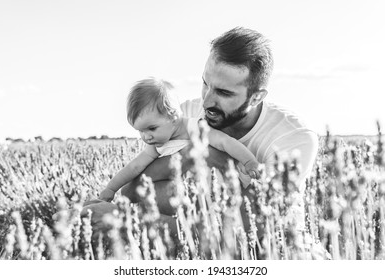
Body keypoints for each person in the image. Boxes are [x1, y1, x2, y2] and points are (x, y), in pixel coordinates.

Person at [120, 27, 319, 233]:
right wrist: (190, 154)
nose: (206, 101)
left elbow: (262, 223)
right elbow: (134, 190)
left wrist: (220, 160)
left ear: (257, 97)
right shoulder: (183, 115)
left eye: (223, 92)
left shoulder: (293, 136)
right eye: (205, 83)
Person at [98, 77, 261, 202]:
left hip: (219, 189)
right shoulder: (157, 145)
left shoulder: (194, 128)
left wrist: (249, 162)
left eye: (152, 128)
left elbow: (225, 142)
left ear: (174, 117)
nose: (146, 137)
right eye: (140, 131)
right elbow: (134, 167)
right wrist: (111, 189)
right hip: (187, 197)